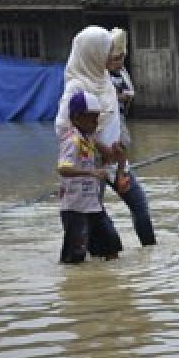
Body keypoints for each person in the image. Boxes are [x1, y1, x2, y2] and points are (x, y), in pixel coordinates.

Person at [55, 26, 156, 246]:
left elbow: (111, 122)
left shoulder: (105, 79)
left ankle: (151, 258)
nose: (110, 55)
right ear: (92, 53)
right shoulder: (76, 86)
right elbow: (63, 129)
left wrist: (118, 160)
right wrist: (101, 150)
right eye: (106, 50)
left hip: (115, 163)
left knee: (141, 208)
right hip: (89, 168)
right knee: (93, 223)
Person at [57, 89, 123, 264]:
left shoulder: (90, 139)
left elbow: (109, 156)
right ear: (77, 118)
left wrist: (116, 152)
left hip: (93, 206)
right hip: (75, 209)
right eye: (92, 118)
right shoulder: (72, 141)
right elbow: (63, 169)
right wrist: (91, 172)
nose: (96, 122)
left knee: (112, 245)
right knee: (74, 259)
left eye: (97, 117)